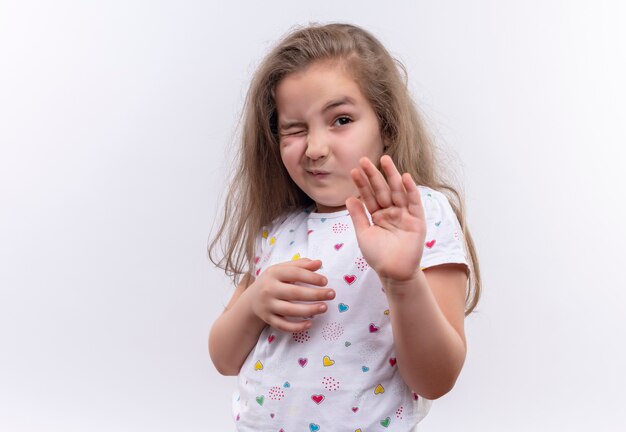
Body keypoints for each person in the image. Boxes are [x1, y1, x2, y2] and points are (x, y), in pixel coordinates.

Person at [208, 23, 481, 431]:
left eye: (341, 120)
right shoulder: (278, 232)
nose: (315, 148)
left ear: (386, 125)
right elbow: (224, 359)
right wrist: (253, 302)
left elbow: (436, 379)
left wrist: (402, 280)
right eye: (295, 129)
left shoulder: (420, 214)